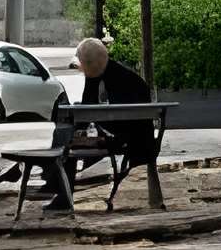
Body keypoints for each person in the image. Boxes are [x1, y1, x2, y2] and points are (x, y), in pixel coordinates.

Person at [45, 36, 160, 209]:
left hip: (129, 141)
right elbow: (87, 110)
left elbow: (93, 113)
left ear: (89, 64)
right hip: (125, 138)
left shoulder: (116, 79)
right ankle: (55, 185)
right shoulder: (111, 75)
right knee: (66, 136)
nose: (81, 68)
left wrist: (87, 129)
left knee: (65, 138)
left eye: (82, 64)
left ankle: (59, 192)